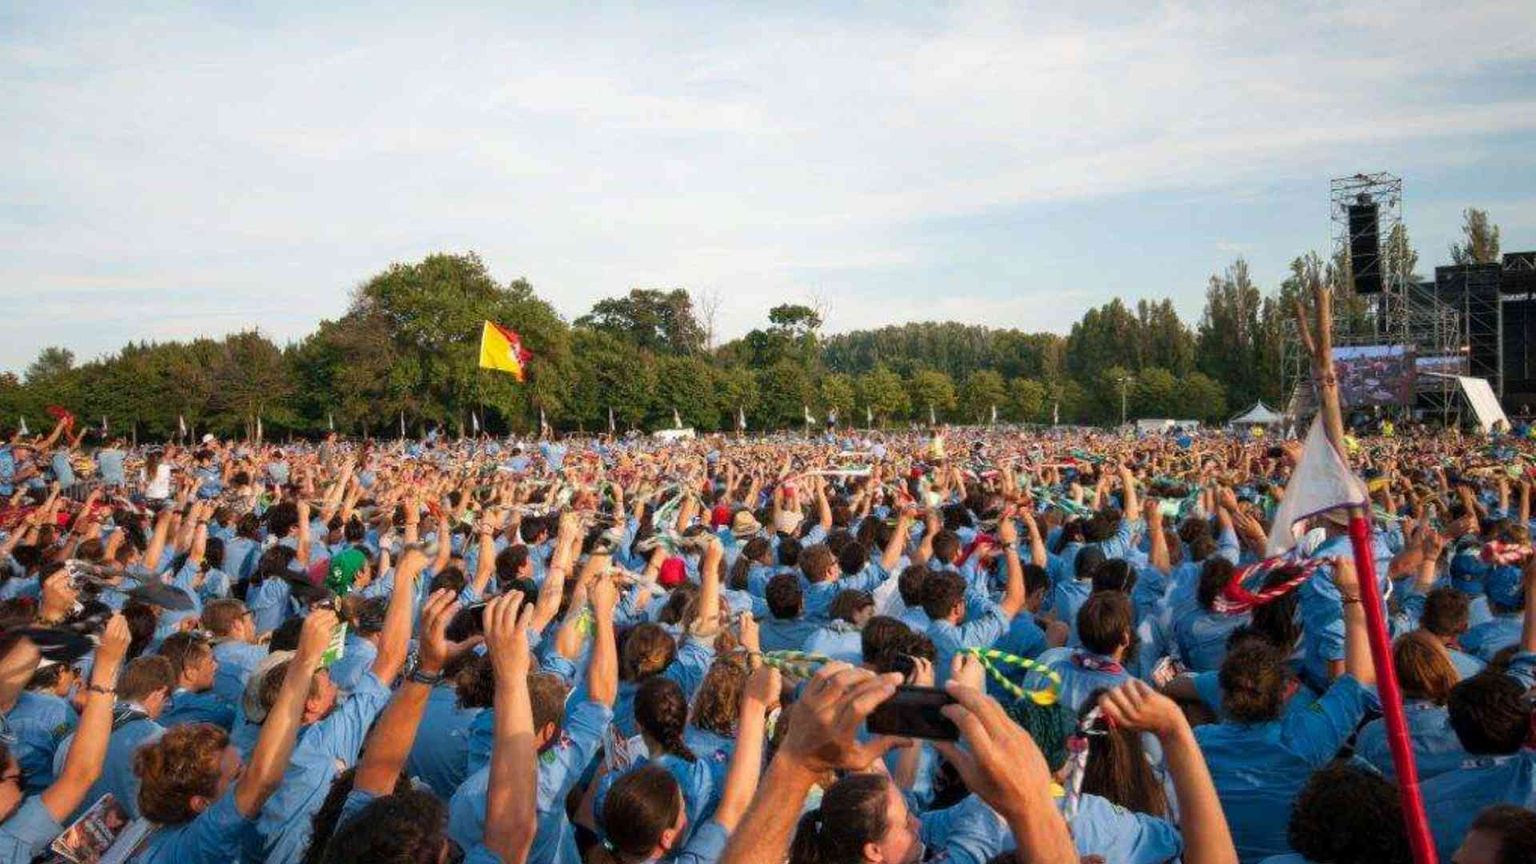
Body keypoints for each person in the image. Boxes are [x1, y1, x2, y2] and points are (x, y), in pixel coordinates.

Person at [1195, 556, 1376, 863]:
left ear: (1222, 690)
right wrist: (1352, 595)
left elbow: (1175, 692)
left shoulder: (1196, 743)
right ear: (1287, 691)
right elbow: (1359, 679)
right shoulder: (1306, 739)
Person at [128, 607, 338, 863]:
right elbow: (262, 779)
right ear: (201, 804)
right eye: (237, 774)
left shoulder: (162, 833)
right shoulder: (196, 845)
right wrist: (306, 660)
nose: (246, 771)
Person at [0, 615, 129, 864]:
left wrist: (49, 617)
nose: (23, 791)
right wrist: (106, 669)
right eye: (18, 779)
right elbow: (80, 774)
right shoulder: (8, 842)